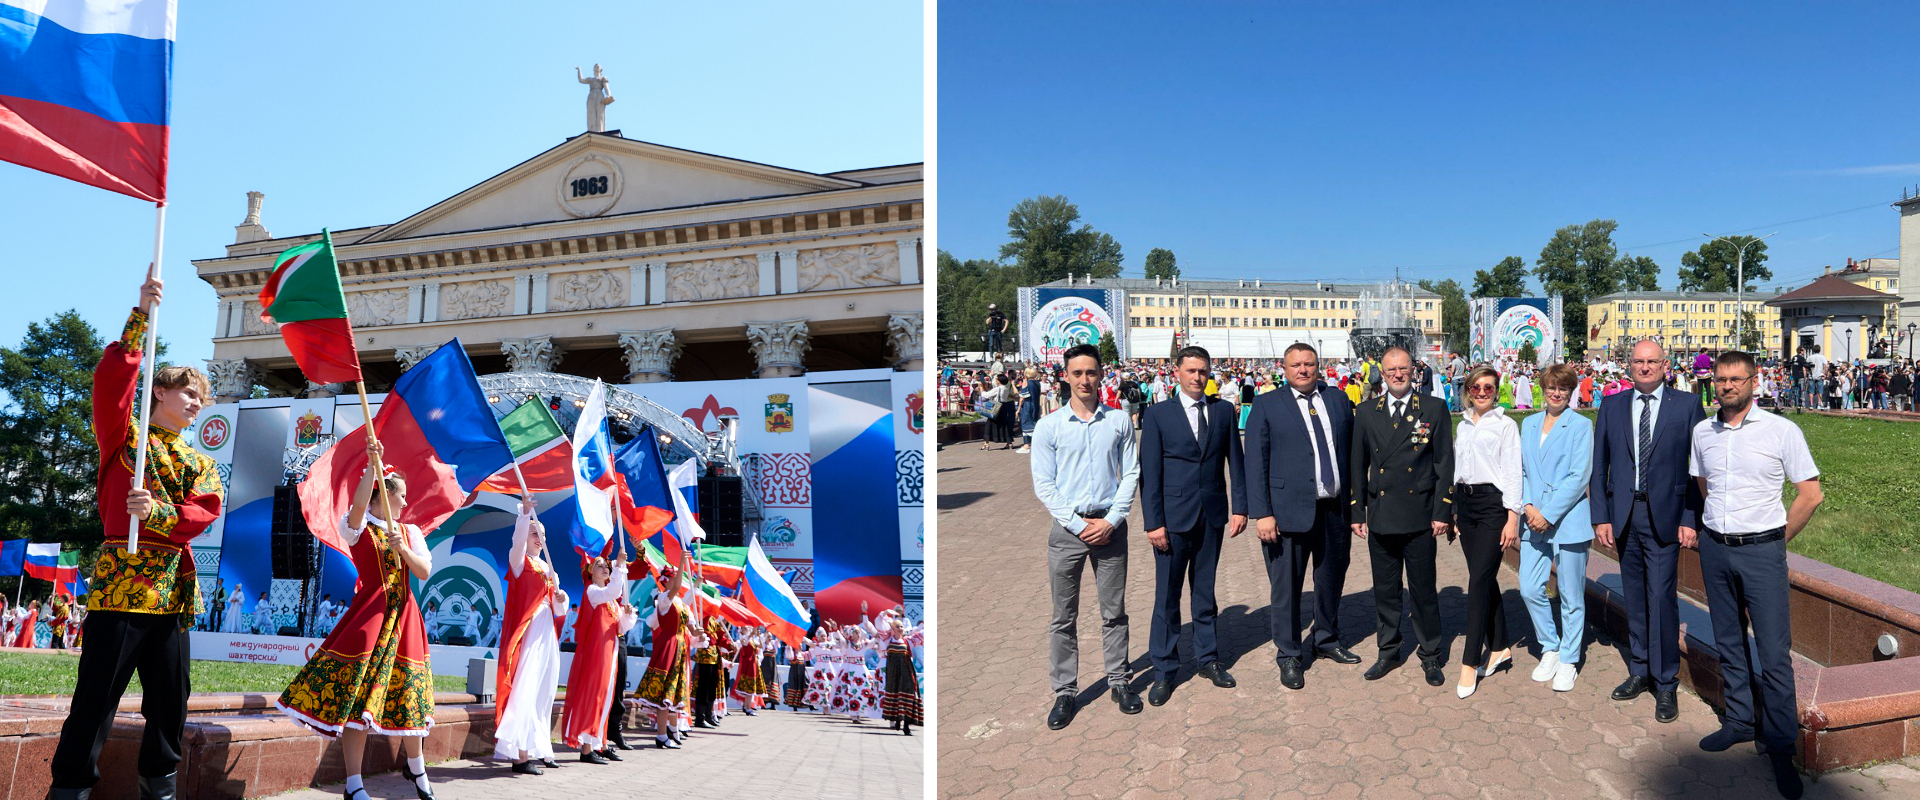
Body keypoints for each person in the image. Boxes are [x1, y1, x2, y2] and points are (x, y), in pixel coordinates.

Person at [50, 275, 225, 800]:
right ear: (160, 392)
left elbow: (205, 511)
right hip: (120, 582)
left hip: (171, 593)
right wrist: (141, 317)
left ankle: (160, 788)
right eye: (188, 392)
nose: (196, 403)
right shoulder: (125, 436)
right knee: (96, 698)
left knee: (171, 702)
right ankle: (70, 788)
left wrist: (159, 512)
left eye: (201, 397)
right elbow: (113, 381)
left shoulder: (201, 462)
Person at [1691, 351, 1823, 798]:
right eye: (1720, 379)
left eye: (1736, 379)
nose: (1727, 386)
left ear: (1754, 381)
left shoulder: (1781, 431)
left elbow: (1810, 494)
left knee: (1772, 651)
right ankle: (1740, 722)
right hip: (1715, 548)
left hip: (1763, 551)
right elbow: (1704, 486)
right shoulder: (1702, 433)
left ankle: (1781, 746)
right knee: (1728, 640)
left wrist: (1776, 539)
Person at [275, 441, 437, 800]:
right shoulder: (358, 526)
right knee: (357, 698)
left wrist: (403, 549)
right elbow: (360, 505)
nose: (406, 502)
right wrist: (372, 464)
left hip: (405, 619)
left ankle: (417, 769)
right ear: (386, 494)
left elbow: (424, 571)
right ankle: (354, 785)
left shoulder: (409, 532)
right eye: (402, 495)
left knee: (408, 695)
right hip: (372, 616)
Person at [1591, 339, 1704, 724]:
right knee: (1635, 596)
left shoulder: (1686, 405)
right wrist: (1601, 516)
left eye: (1652, 361)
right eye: (1638, 361)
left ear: (1665, 365)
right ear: (1629, 366)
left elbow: (1699, 468)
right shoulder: (1612, 405)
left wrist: (1690, 518)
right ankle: (1639, 669)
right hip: (1625, 515)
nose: (1644, 367)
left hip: (1666, 516)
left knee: (1661, 598)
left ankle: (1666, 681)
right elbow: (1599, 465)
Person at [1030, 342, 1141, 730]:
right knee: (1063, 616)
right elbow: (1044, 485)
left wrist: (1112, 519)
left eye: (1091, 372)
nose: (1084, 380)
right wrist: (1079, 525)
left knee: (1114, 611)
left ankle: (1119, 681)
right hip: (1068, 532)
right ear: (1065, 376)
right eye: (1077, 373)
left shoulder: (1118, 421)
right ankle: (1065, 691)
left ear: (1101, 375)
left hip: (1110, 528)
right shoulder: (1049, 426)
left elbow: (1131, 472)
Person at [1245, 343, 1359, 692]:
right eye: (1296, 365)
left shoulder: (1338, 400)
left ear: (1318, 366)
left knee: (1330, 579)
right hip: (1286, 513)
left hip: (1333, 510)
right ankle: (1290, 654)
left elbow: (1351, 453)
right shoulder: (1267, 404)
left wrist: (1356, 507)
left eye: (1309, 363)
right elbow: (1255, 462)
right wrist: (1262, 513)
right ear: (1284, 368)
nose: (1303, 370)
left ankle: (1325, 638)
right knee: (1287, 588)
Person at [1138, 346, 1247, 704]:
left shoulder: (1223, 411)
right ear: (1177, 373)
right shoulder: (1158, 414)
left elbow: (1236, 462)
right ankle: (1164, 670)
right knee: (1167, 598)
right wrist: (1153, 523)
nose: (1197, 377)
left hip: (1211, 517)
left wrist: (1240, 507)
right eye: (1191, 371)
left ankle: (1208, 659)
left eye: (1203, 371)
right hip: (1172, 521)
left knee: (1204, 593)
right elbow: (1149, 474)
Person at [1349, 346, 1453, 687]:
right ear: (1382, 373)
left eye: (1403, 369)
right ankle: (1388, 651)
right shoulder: (1367, 412)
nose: (1397, 374)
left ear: (1413, 372)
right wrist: (1357, 511)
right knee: (1386, 590)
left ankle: (1431, 654)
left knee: (1423, 590)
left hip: (1420, 515)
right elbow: (1357, 465)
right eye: (1391, 369)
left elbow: (1444, 464)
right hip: (1381, 514)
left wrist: (1442, 511)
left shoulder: (1433, 409)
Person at [1517, 363, 1594, 693]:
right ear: (1543, 388)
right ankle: (1550, 645)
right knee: (1529, 587)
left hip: (1567, 519)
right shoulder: (1529, 423)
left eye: (1563, 388)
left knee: (1571, 595)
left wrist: (1548, 513)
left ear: (1571, 391)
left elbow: (1579, 476)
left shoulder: (1580, 426)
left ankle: (1569, 659)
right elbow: (1521, 470)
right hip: (1533, 519)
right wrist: (1528, 506)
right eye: (1551, 387)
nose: (1557, 393)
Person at [1450, 366, 1521, 699]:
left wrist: (1512, 517)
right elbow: (1457, 469)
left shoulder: (1506, 425)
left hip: (1494, 507)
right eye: (1475, 387)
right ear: (1468, 390)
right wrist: (1454, 510)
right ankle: (1500, 646)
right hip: (1466, 507)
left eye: (1488, 388)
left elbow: (1513, 473)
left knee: (1478, 581)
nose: (1481, 393)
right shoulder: (1463, 424)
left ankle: (1469, 660)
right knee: (1485, 578)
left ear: (1496, 390)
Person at [493, 502, 568, 773]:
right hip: (529, 633)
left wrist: (561, 597)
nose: (540, 539)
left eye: (543, 535)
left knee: (544, 691)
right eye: (535, 533)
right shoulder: (519, 561)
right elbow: (517, 543)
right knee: (525, 687)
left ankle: (541, 748)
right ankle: (520, 756)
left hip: (547, 632)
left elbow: (558, 609)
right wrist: (524, 515)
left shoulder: (549, 570)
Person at [562, 549, 637, 764]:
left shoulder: (610, 600)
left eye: (607, 565)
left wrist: (628, 615)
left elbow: (621, 627)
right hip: (597, 652)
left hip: (609, 652)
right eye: (600, 565)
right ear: (590, 571)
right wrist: (619, 566)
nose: (605, 568)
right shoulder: (592, 591)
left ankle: (600, 744)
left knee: (606, 697)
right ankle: (586, 749)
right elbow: (613, 590)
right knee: (595, 695)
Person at [634, 563, 693, 749]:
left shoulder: (683, 605)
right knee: (663, 692)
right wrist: (682, 562)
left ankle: (670, 733)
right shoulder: (664, 599)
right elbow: (676, 588)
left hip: (679, 648)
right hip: (668, 646)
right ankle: (661, 735)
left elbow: (691, 629)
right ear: (667, 581)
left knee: (672, 693)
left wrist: (699, 633)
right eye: (675, 577)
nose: (678, 580)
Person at [690, 612, 734, 728]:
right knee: (704, 687)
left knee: (712, 686)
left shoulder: (713, 620)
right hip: (705, 656)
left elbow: (720, 636)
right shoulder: (702, 616)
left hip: (715, 656)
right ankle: (700, 718)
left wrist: (730, 645)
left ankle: (708, 715)